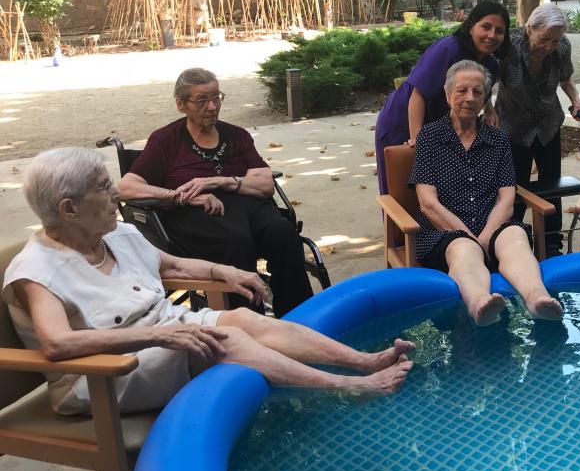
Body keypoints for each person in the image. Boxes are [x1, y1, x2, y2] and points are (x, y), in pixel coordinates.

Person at [2, 148, 415, 415]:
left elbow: (171, 265)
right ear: (69, 209)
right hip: (106, 374)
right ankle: (348, 386)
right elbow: (57, 344)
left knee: (246, 320)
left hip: (165, 336)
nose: (117, 195)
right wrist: (158, 337)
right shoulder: (37, 270)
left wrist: (225, 272)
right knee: (226, 340)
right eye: (104, 187)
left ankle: (364, 361)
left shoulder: (116, 234)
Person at [117, 68, 313, 317]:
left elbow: (265, 184)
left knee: (283, 233)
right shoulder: (166, 140)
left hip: (248, 209)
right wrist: (178, 196)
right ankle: (247, 321)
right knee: (235, 241)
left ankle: (300, 318)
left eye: (216, 97)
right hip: (196, 216)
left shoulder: (237, 135)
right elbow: (125, 187)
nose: (212, 106)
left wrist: (221, 182)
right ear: (181, 104)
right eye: (201, 100)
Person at [410, 60, 563, 326]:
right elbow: (428, 203)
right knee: (463, 249)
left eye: (478, 92)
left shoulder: (498, 139)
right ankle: (479, 303)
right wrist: (471, 240)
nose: (470, 98)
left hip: (492, 227)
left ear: (485, 100)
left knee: (515, 237)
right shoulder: (429, 137)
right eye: (462, 90)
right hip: (444, 233)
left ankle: (536, 298)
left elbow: (506, 199)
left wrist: (485, 237)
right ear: (448, 95)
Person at [375, 0, 510, 194]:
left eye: (499, 31)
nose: (492, 35)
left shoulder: (491, 64)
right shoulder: (448, 49)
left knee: (440, 190)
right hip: (404, 120)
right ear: (472, 25)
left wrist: (489, 108)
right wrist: (418, 141)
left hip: (439, 127)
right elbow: (418, 95)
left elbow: (478, 90)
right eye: (486, 27)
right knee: (400, 190)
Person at [496, 4, 580, 257]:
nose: (549, 46)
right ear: (529, 29)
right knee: (514, 186)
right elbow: (487, 78)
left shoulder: (563, 46)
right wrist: (488, 110)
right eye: (544, 39)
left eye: (554, 41)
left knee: (551, 183)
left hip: (547, 123)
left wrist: (576, 99)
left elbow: (566, 78)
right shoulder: (508, 46)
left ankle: (551, 243)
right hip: (513, 124)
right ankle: (512, 240)